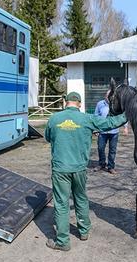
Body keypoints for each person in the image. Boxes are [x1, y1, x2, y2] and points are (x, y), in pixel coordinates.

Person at [44, 91, 127, 251]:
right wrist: (127, 114)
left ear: (65, 102)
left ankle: (62, 241)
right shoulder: (87, 119)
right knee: (81, 198)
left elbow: (48, 137)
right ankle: (84, 231)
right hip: (80, 168)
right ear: (80, 104)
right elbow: (111, 123)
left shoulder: (54, 119)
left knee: (61, 203)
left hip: (61, 168)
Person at [93, 90, 128, 174]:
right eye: (108, 95)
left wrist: (125, 127)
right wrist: (95, 129)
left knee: (112, 150)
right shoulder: (100, 104)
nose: (110, 97)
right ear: (105, 96)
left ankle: (111, 167)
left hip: (114, 131)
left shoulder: (117, 104)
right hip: (102, 131)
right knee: (100, 148)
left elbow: (122, 115)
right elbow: (96, 116)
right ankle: (101, 164)